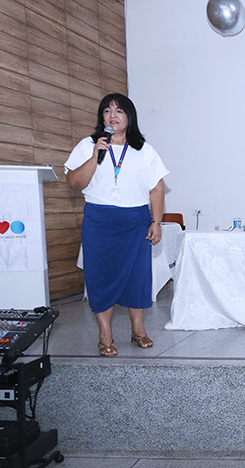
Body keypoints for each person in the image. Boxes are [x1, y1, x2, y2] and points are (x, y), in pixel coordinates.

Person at [65, 93, 169, 357]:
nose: (113, 116)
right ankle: (105, 334)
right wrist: (94, 156)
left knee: (138, 276)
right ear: (101, 117)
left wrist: (157, 222)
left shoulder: (144, 150)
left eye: (119, 111)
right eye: (107, 111)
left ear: (129, 117)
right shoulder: (88, 145)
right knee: (99, 275)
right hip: (99, 221)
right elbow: (74, 183)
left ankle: (138, 329)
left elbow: (156, 188)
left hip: (136, 222)